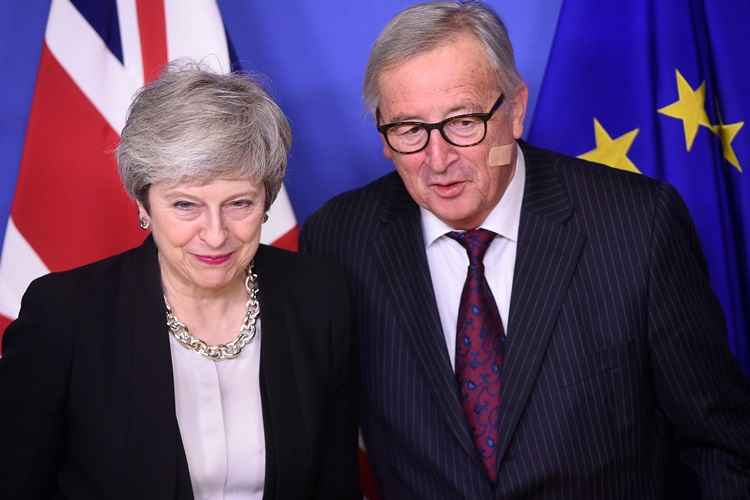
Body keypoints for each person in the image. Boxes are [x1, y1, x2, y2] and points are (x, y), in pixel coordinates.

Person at [300, 2, 750, 499]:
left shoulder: (638, 225)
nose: (438, 158)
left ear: (515, 110)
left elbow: (721, 446)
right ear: (383, 134)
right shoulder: (339, 240)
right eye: (409, 130)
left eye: (463, 121)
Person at [0, 61, 359, 500]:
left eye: (239, 203)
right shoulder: (65, 314)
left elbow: (335, 483)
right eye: (186, 205)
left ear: (268, 198)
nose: (215, 233)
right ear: (143, 203)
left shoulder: (319, 298)